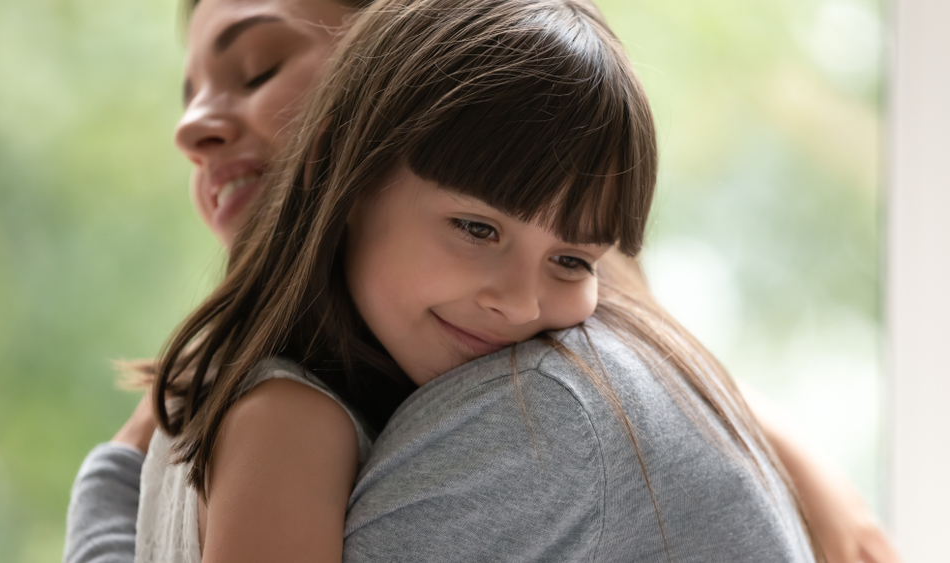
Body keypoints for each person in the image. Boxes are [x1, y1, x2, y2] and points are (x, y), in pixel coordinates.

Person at [63, 0, 902, 561]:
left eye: (255, 69)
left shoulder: (519, 369)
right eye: (476, 229)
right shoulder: (287, 408)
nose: (193, 127)